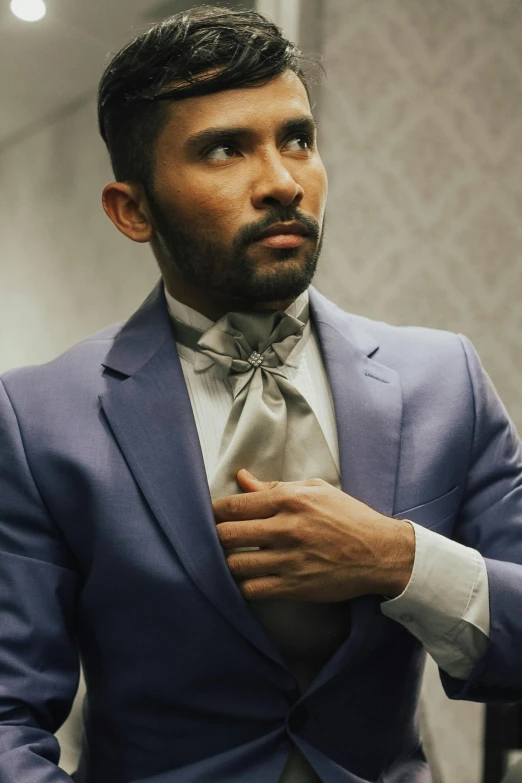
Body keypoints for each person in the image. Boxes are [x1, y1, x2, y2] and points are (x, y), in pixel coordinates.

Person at [0, 5, 521, 782]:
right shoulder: (39, 420)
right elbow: (9, 715)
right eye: (223, 150)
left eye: (298, 139)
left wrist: (397, 559)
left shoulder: (444, 380)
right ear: (132, 209)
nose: (283, 182)